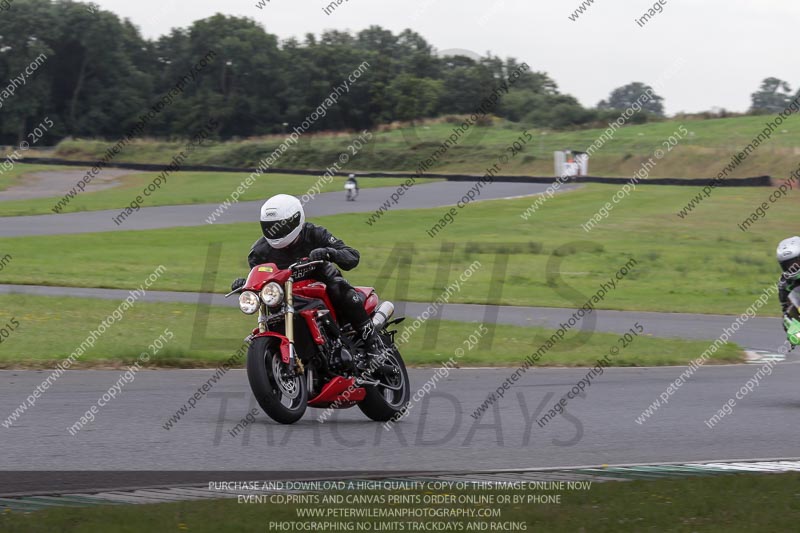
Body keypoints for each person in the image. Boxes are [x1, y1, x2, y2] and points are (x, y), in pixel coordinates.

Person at [230, 194, 382, 365]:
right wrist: (247, 285)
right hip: (287, 298)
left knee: (339, 288)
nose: (276, 230)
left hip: (322, 286)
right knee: (271, 307)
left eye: (281, 225)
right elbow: (262, 281)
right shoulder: (259, 252)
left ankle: (372, 343)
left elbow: (352, 256)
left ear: (296, 220)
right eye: (270, 226)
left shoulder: (314, 234)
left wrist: (329, 252)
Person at [777, 236, 800, 346]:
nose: (792, 267)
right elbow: (786, 308)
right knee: (786, 319)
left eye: (795, 262)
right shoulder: (784, 282)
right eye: (787, 264)